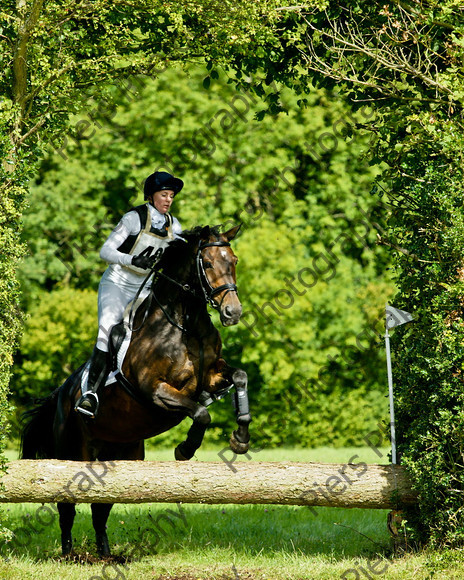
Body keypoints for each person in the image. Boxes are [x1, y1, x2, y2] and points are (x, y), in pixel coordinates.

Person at [75, 170, 184, 417]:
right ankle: (89, 394)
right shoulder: (133, 218)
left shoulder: (173, 225)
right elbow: (105, 251)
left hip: (145, 289)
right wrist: (131, 258)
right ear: (151, 196)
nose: (168, 200)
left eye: (171, 196)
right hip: (116, 284)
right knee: (107, 331)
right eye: (163, 195)